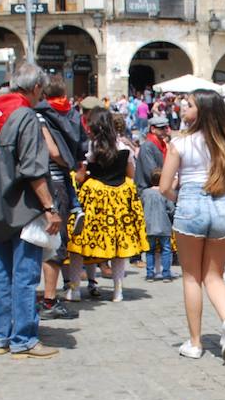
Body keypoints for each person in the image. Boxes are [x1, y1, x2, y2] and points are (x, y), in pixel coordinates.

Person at [0, 63, 61, 358]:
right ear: (36, 87)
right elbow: (33, 169)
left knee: (1, 272)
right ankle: (23, 338)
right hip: (24, 207)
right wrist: (50, 207)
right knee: (24, 274)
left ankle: (1, 335)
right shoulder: (25, 115)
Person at [159, 90, 225, 360]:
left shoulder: (180, 143)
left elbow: (163, 187)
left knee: (191, 277)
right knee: (215, 275)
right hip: (222, 209)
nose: (184, 107)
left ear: (203, 110)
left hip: (191, 206)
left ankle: (195, 343)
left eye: (190, 104)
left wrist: (181, 198)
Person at [65, 107, 148, 303]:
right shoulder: (124, 148)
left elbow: (80, 176)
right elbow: (130, 175)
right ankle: (118, 290)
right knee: (119, 246)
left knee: (79, 243)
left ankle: (75, 288)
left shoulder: (92, 147)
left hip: (94, 199)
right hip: (118, 199)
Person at [34, 77, 86, 321]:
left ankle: (48, 298)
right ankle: (49, 297)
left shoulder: (39, 114)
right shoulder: (71, 113)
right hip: (63, 180)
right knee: (55, 240)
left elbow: (52, 151)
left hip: (47, 180)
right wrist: (72, 164)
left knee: (49, 239)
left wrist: (63, 161)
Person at [141, 168, 174, 282]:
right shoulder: (165, 193)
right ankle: (166, 274)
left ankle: (150, 274)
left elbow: (141, 206)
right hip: (164, 225)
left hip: (149, 225)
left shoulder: (145, 193)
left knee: (149, 250)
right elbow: (171, 209)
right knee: (166, 250)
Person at [135, 114, 170, 193]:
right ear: (153, 129)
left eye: (166, 128)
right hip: (147, 189)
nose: (165, 130)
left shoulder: (162, 145)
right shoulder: (147, 146)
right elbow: (152, 174)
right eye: (161, 128)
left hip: (158, 187)